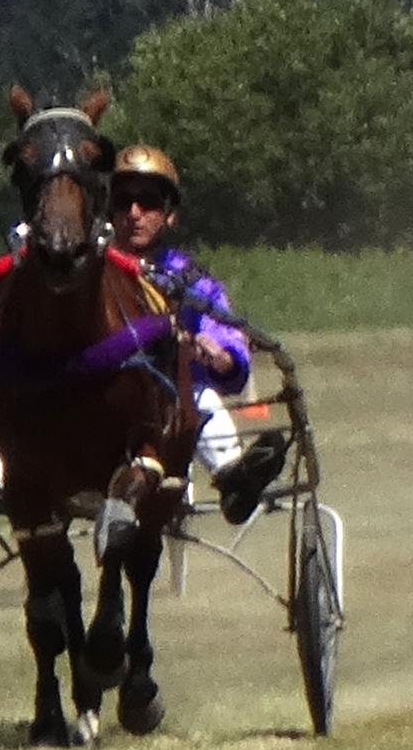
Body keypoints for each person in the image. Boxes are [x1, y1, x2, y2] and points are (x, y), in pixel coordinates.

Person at [99, 147, 287, 520]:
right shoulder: (87, 271)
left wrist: (220, 357)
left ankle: (235, 479)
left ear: (170, 214)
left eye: (148, 202)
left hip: (173, 407)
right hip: (98, 401)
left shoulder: (192, 281)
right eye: (123, 202)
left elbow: (229, 345)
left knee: (200, 397)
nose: (134, 213)